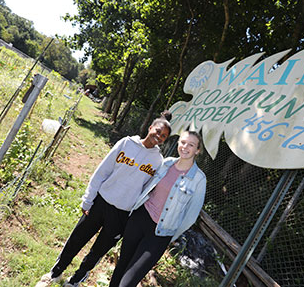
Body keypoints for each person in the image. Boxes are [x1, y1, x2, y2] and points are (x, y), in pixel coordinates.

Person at [36, 112, 172, 287]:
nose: (159, 137)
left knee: (98, 251)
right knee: (77, 238)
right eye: (158, 131)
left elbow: (147, 192)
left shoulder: (158, 162)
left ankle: (75, 280)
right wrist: (88, 199)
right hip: (101, 202)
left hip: (122, 215)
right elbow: (102, 171)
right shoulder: (126, 143)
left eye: (163, 136)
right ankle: (54, 273)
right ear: (150, 127)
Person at [109, 131, 206, 287]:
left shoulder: (199, 179)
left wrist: (170, 236)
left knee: (129, 280)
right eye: (183, 142)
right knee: (121, 265)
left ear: (198, 150)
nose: (185, 147)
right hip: (140, 219)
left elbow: (191, 216)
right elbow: (148, 187)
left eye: (191, 145)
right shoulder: (166, 163)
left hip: (160, 234)